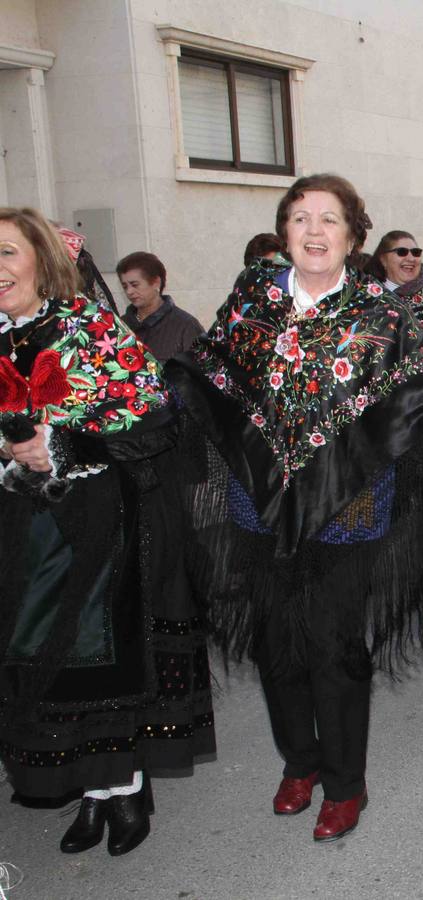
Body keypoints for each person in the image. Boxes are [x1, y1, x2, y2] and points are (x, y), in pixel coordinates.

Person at [166, 174, 423, 844]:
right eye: (299, 218)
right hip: (258, 506)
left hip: (346, 509)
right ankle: (300, 762)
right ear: (285, 232)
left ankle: (345, 783)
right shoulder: (254, 295)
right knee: (275, 642)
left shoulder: (380, 311)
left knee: (334, 643)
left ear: (352, 236)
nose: (314, 231)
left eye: (329, 219)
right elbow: (212, 368)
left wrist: (357, 453)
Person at [0, 207, 214, 856]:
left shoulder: (87, 325)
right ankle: (91, 790)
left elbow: (152, 416)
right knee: (48, 664)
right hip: (20, 528)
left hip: (100, 521)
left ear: (41, 259)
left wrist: (62, 443)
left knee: (101, 661)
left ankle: (123, 789)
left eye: (7, 252)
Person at [366, 230, 423, 359]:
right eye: (401, 252)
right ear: (383, 259)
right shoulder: (366, 295)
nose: (411, 258)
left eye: (416, 252)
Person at [115, 251, 204, 361]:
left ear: (156, 282)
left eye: (135, 285)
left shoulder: (186, 325)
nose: (129, 291)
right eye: (125, 286)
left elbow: (202, 367)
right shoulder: (120, 326)